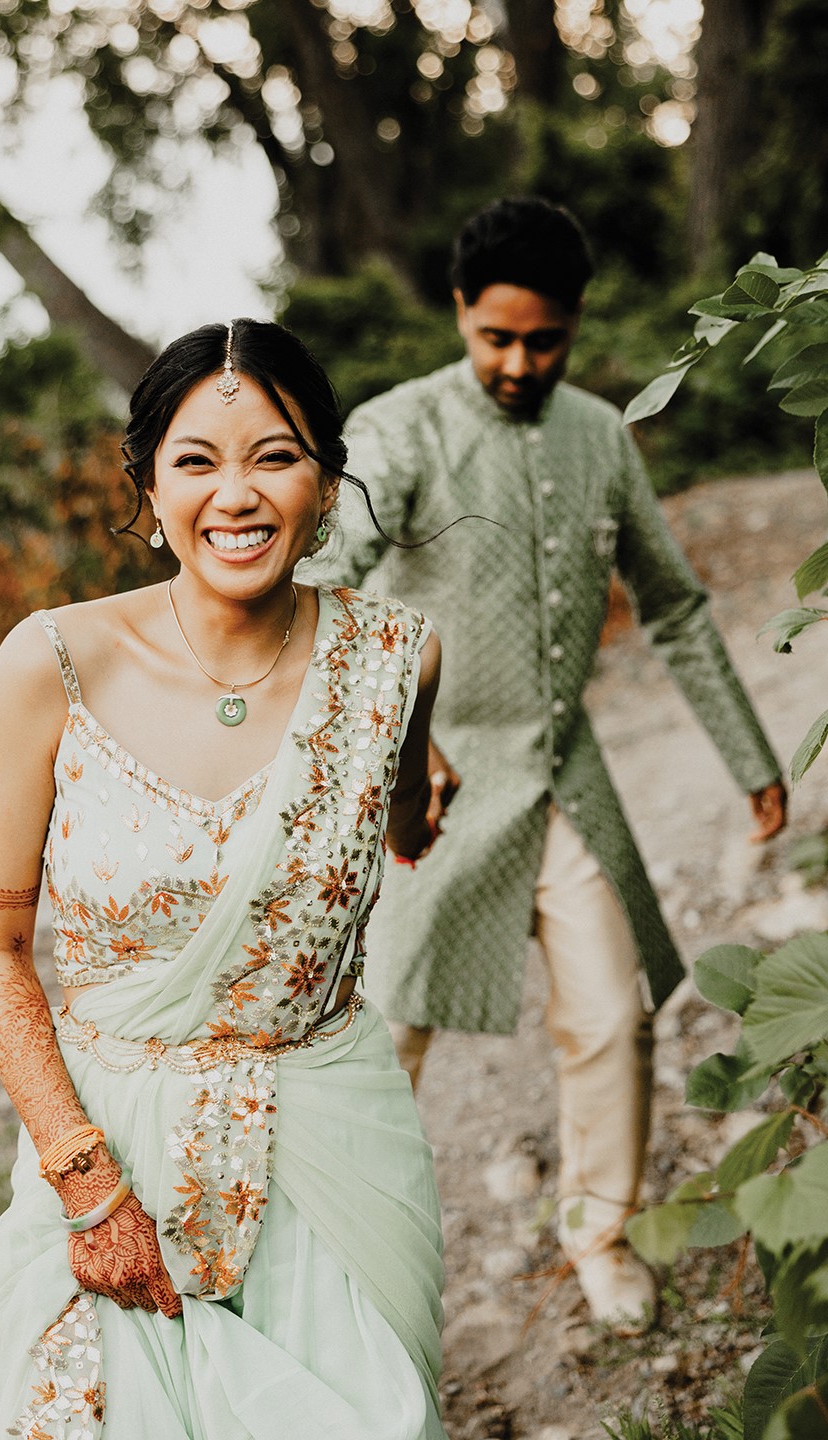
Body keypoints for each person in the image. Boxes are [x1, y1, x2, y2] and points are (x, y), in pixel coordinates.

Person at [0, 319, 450, 1440]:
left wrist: (410, 796)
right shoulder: (53, 662)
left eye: (276, 455)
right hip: (110, 1146)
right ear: (147, 484)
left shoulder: (395, 658)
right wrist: (87, 1184)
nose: (239, 494)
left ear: (327, 481)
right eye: (198, 460)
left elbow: (408, 802)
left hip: (331, 1142)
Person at [307, 196, 787, 1333]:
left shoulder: (599, 435)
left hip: (565, 777)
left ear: (574, 327)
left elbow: (672, 608)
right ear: (463, 311)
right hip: (430, 786)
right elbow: (324, 580)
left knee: (614, 1012)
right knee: (384, 1033)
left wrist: (749, 757)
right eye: (496, 338)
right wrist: (368, 757)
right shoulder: (399, 429)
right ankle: (331, 1261)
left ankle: (600, 1233)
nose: (519, 363)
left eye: (545, 341)